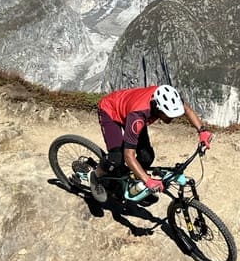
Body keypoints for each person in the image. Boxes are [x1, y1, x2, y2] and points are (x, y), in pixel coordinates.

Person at [82, 84, 212, 203]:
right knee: (116, 158)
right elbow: (129, 156)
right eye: (168, 115)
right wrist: (148, 180)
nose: (172, 118)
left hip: (129, 107)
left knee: (147, 156)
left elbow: (187, 110)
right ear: (157, 108)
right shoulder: (138, 117)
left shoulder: (167, 98)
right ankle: (95, 176)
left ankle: (132, 181)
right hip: (111, 111)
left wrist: (202, 131)